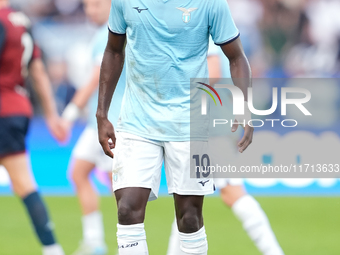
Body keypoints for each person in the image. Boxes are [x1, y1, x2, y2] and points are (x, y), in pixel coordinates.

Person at [96, 0, 253, 254]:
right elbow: (113, 51)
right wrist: (101, 113)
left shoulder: (211, 3)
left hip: (191, 125)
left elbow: (236, 56)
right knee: (126, 210)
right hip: (137, 122)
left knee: (189, 218)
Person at [167, 41, 284, 255]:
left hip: (210, 131)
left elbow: (214, 72)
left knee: (231, 193)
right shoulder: (214, 36)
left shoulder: (202, 34)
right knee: (185, 200)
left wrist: (175, 90)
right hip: (204, 129)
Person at [0, 1, 67, 254]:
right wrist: (52, 114)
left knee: (24, 183)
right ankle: (53, 248)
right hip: (17, 108)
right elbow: (37, 70)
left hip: (2, 107)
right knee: (25, 184)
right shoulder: (22, 20)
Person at [61, 0, 125, 254]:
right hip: (97, 123)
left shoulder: (109, 34)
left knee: (118, 187)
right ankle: (95, 241)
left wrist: (69, 112)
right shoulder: (105, 34)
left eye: (97, 4)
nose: (91, 10)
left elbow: (96, 79)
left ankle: (127, 241)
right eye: (87, 5)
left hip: (111, 123)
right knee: (78, 173)